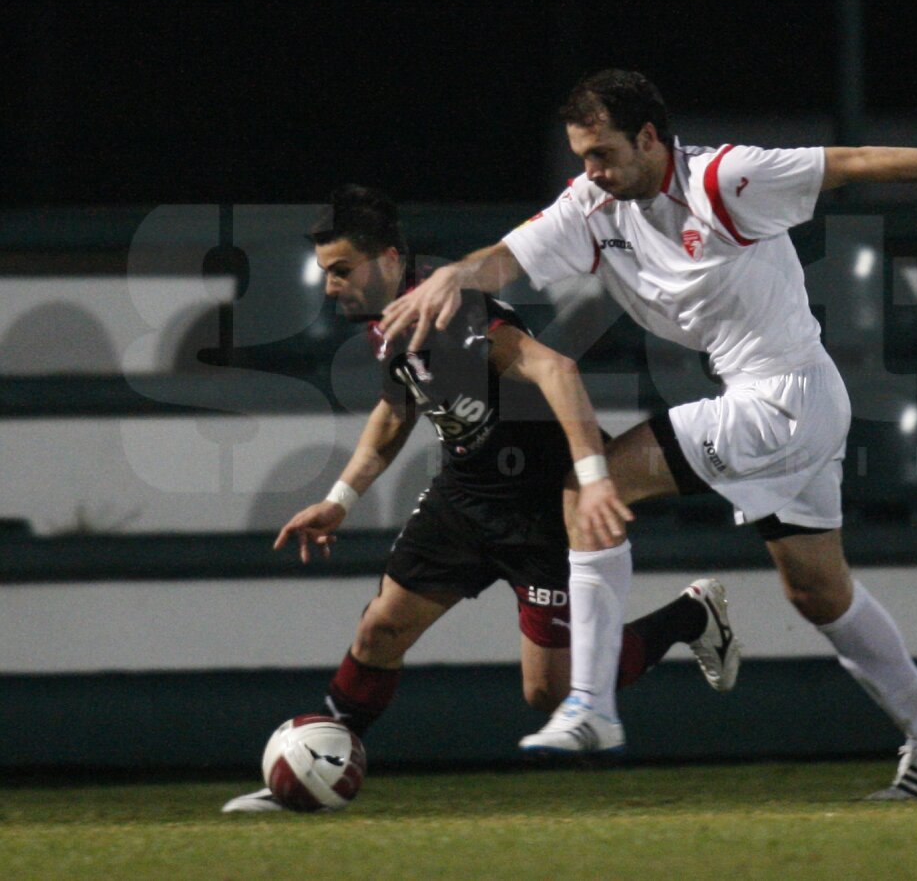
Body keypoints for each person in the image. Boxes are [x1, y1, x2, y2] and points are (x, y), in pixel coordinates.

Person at [379, 70, 917, 799]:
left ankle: (591, 706)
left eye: (604, 153)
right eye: (582, 156)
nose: (591, 170)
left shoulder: (724, 178)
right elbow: (507, 258)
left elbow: (860, 161)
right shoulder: (594, 204)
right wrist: (456, 277)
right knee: (817, 591)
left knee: (595, 483)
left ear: (650, 138)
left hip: (784, 398)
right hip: (788, 400)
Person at [223, 184, 741, 812]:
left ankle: (691, 616)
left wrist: (594, 475)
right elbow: (395, 412)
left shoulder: (457, 314)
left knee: (550, 695)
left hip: (540, 509)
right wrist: (339, 499)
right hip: (464, 498)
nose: (331, 287)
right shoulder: (388, 325)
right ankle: (316, 769)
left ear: (389, 260)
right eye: (326, 273)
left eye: (340, 271)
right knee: (381, 628)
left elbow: (558, 370)